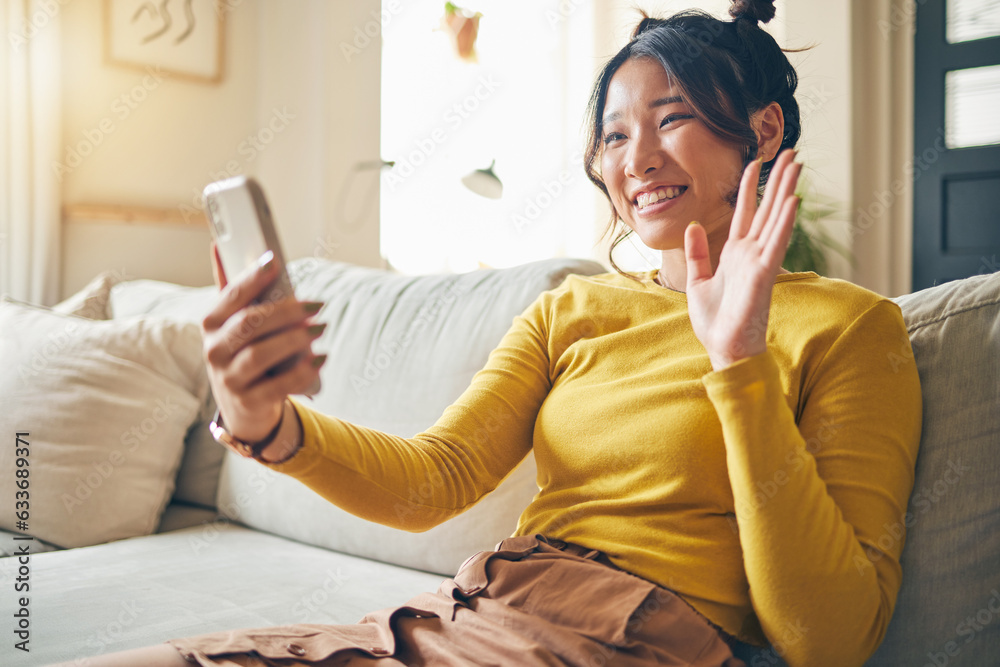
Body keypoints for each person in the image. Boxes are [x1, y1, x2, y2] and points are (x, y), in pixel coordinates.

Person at [65, 1, 921, 665]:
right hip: (465, 615)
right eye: (614, 136)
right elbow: (438, 477)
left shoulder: (850, 327)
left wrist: (737, 364)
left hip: (624, 642)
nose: (636, 161)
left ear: (762, 129)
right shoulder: (572, 310)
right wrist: (269, 426)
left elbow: (829, 638)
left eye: (672, 119)